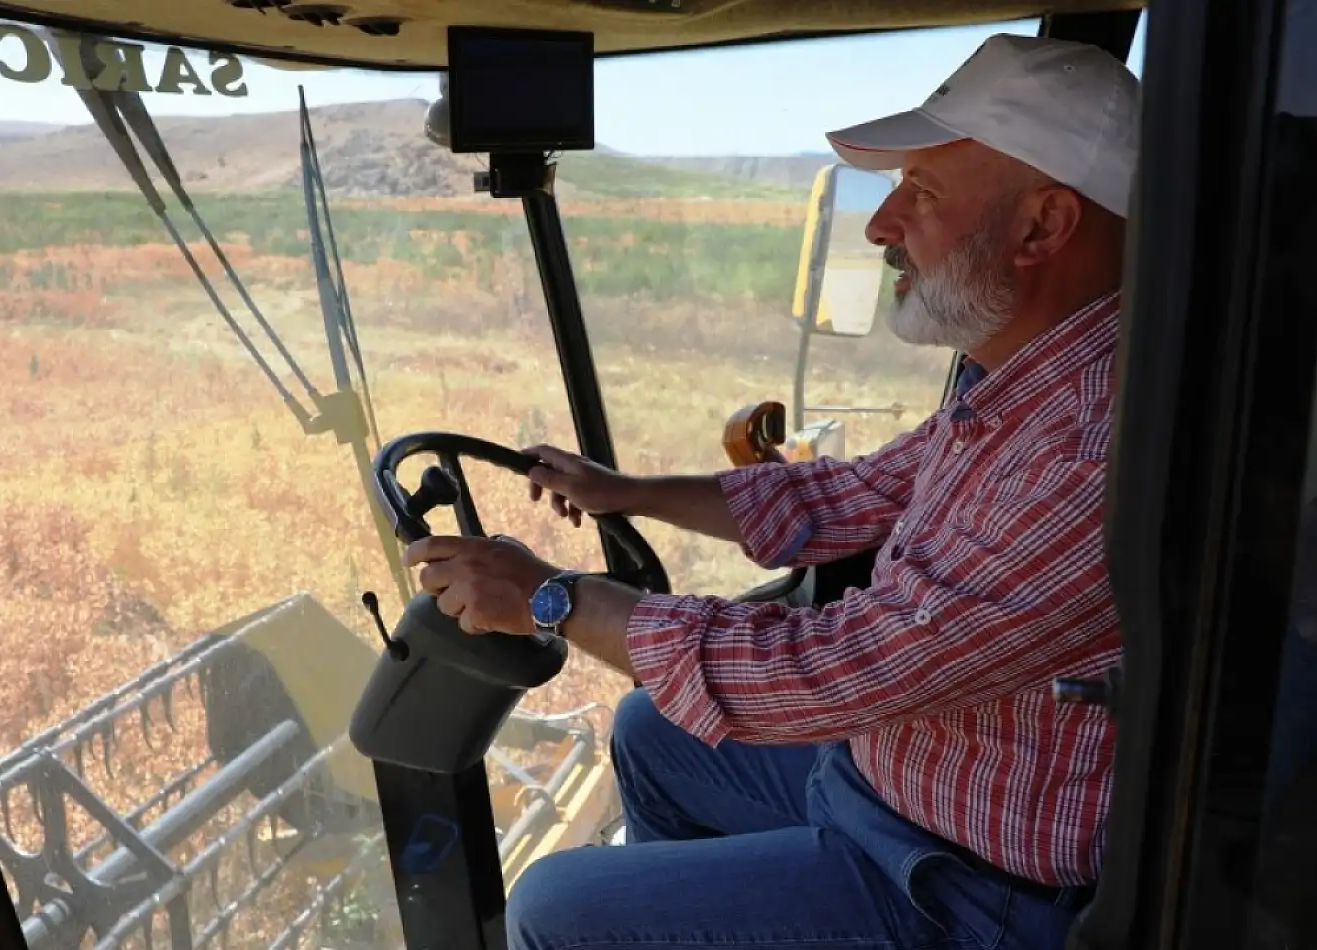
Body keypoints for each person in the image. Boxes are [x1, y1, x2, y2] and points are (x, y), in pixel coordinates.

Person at [403, 33, 1139, 950]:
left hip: (961, 886)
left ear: (1043, 227)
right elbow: (848, 496)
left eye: (925, 192)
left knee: (555, 911)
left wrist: (553, 599)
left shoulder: (1093, 444)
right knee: (649, 730)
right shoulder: (1023, 383)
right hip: (889, 779)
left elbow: (842, 669)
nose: (882, 224)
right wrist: (622, 491)